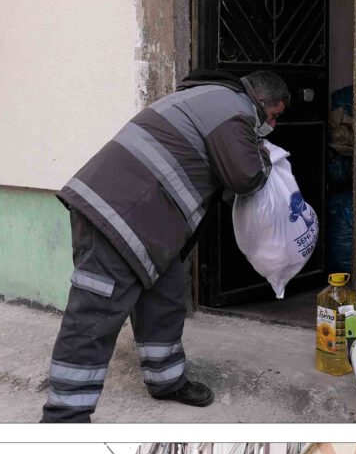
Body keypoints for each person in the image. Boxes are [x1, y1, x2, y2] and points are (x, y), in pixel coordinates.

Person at [40, 70, 290, 421]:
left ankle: (166, 380)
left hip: (147, 218)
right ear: (260, 101)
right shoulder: (233, 109)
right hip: (119, 213)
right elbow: (244, 176)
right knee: (96, 312)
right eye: (274, 115)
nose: (273, 126)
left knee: (166, 298)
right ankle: (65, 415)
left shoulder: (213, 99)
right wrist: (264, 156)